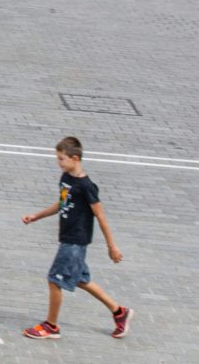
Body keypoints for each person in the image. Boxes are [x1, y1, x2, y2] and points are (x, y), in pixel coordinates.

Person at [21, 136, 129, 340]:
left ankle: (51, 326)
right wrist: (37, 216)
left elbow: (100, 216)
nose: (58, 162)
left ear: (75, 158)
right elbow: (61, 204)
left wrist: (111, 246)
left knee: (54, 280)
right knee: (81, 279)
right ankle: (119, 312)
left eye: (62, 159)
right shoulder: (66, 178)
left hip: (75, 241)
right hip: (68, 238)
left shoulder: (87, 186)